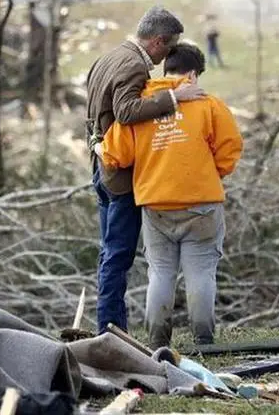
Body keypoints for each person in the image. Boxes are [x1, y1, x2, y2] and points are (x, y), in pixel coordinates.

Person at [95, 43, 243, 348]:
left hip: (155, 203)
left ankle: (157, 340)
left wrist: (99, 147)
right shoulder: (209, 104)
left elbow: (115, 156)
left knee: (160, 273)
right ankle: (203, 339)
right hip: (202, 204)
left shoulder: (143, 105)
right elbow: (230, 149)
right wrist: (210, 173)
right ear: (191, 74)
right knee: (201, 273)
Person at [85, 6, 205, 335]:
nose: (166, 58)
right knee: (119, 254)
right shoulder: (134, 65)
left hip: (101, 167)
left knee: (109, 250)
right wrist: (174, 97)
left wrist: (97, 147)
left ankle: (109, 327)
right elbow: (125, 112)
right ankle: (110, 330)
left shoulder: (109, 57)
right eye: (168, 48)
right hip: (120, 176)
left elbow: (97, 109)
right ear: (158, 41)